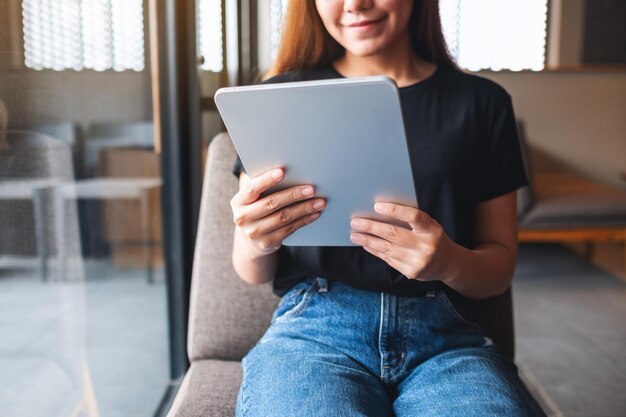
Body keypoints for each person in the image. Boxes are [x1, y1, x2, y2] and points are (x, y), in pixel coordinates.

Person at [229, 1, 545, 416]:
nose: (356, 4)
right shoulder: (274, 100)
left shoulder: (482, 103)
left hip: (446, 339)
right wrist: (254, 241)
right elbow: (251, 270)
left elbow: (499, 269)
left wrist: (448, 261)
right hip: (316, 330)